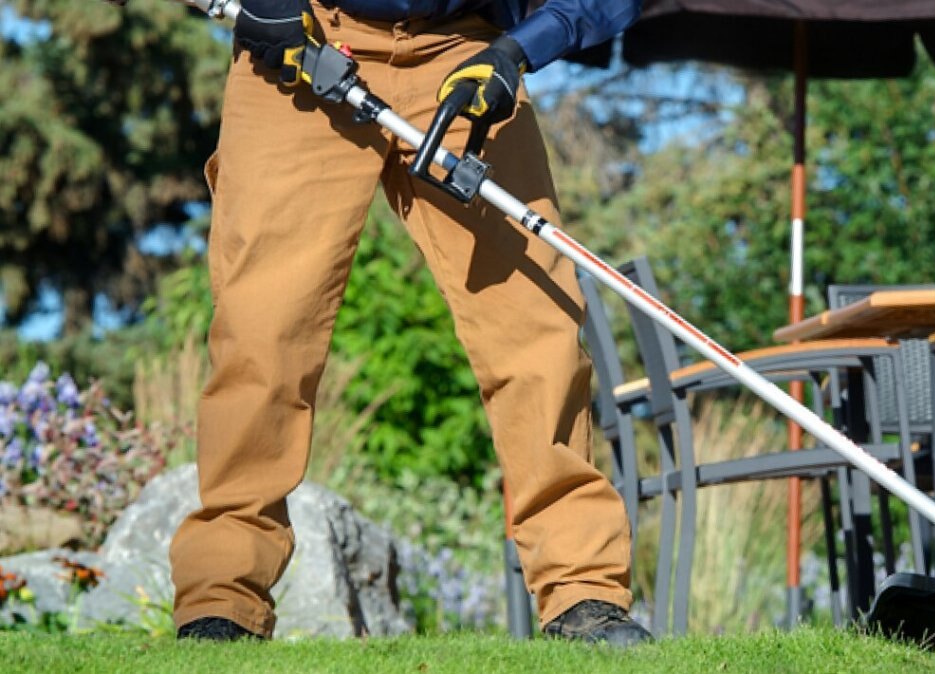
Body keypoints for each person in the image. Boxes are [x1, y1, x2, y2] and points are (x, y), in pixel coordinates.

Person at [163, 0, 650, 645]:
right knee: (263, 336)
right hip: (308, 42)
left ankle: (582, 593)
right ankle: (223, 599)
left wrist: (519, 50)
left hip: (467, 54)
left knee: (538, 337)